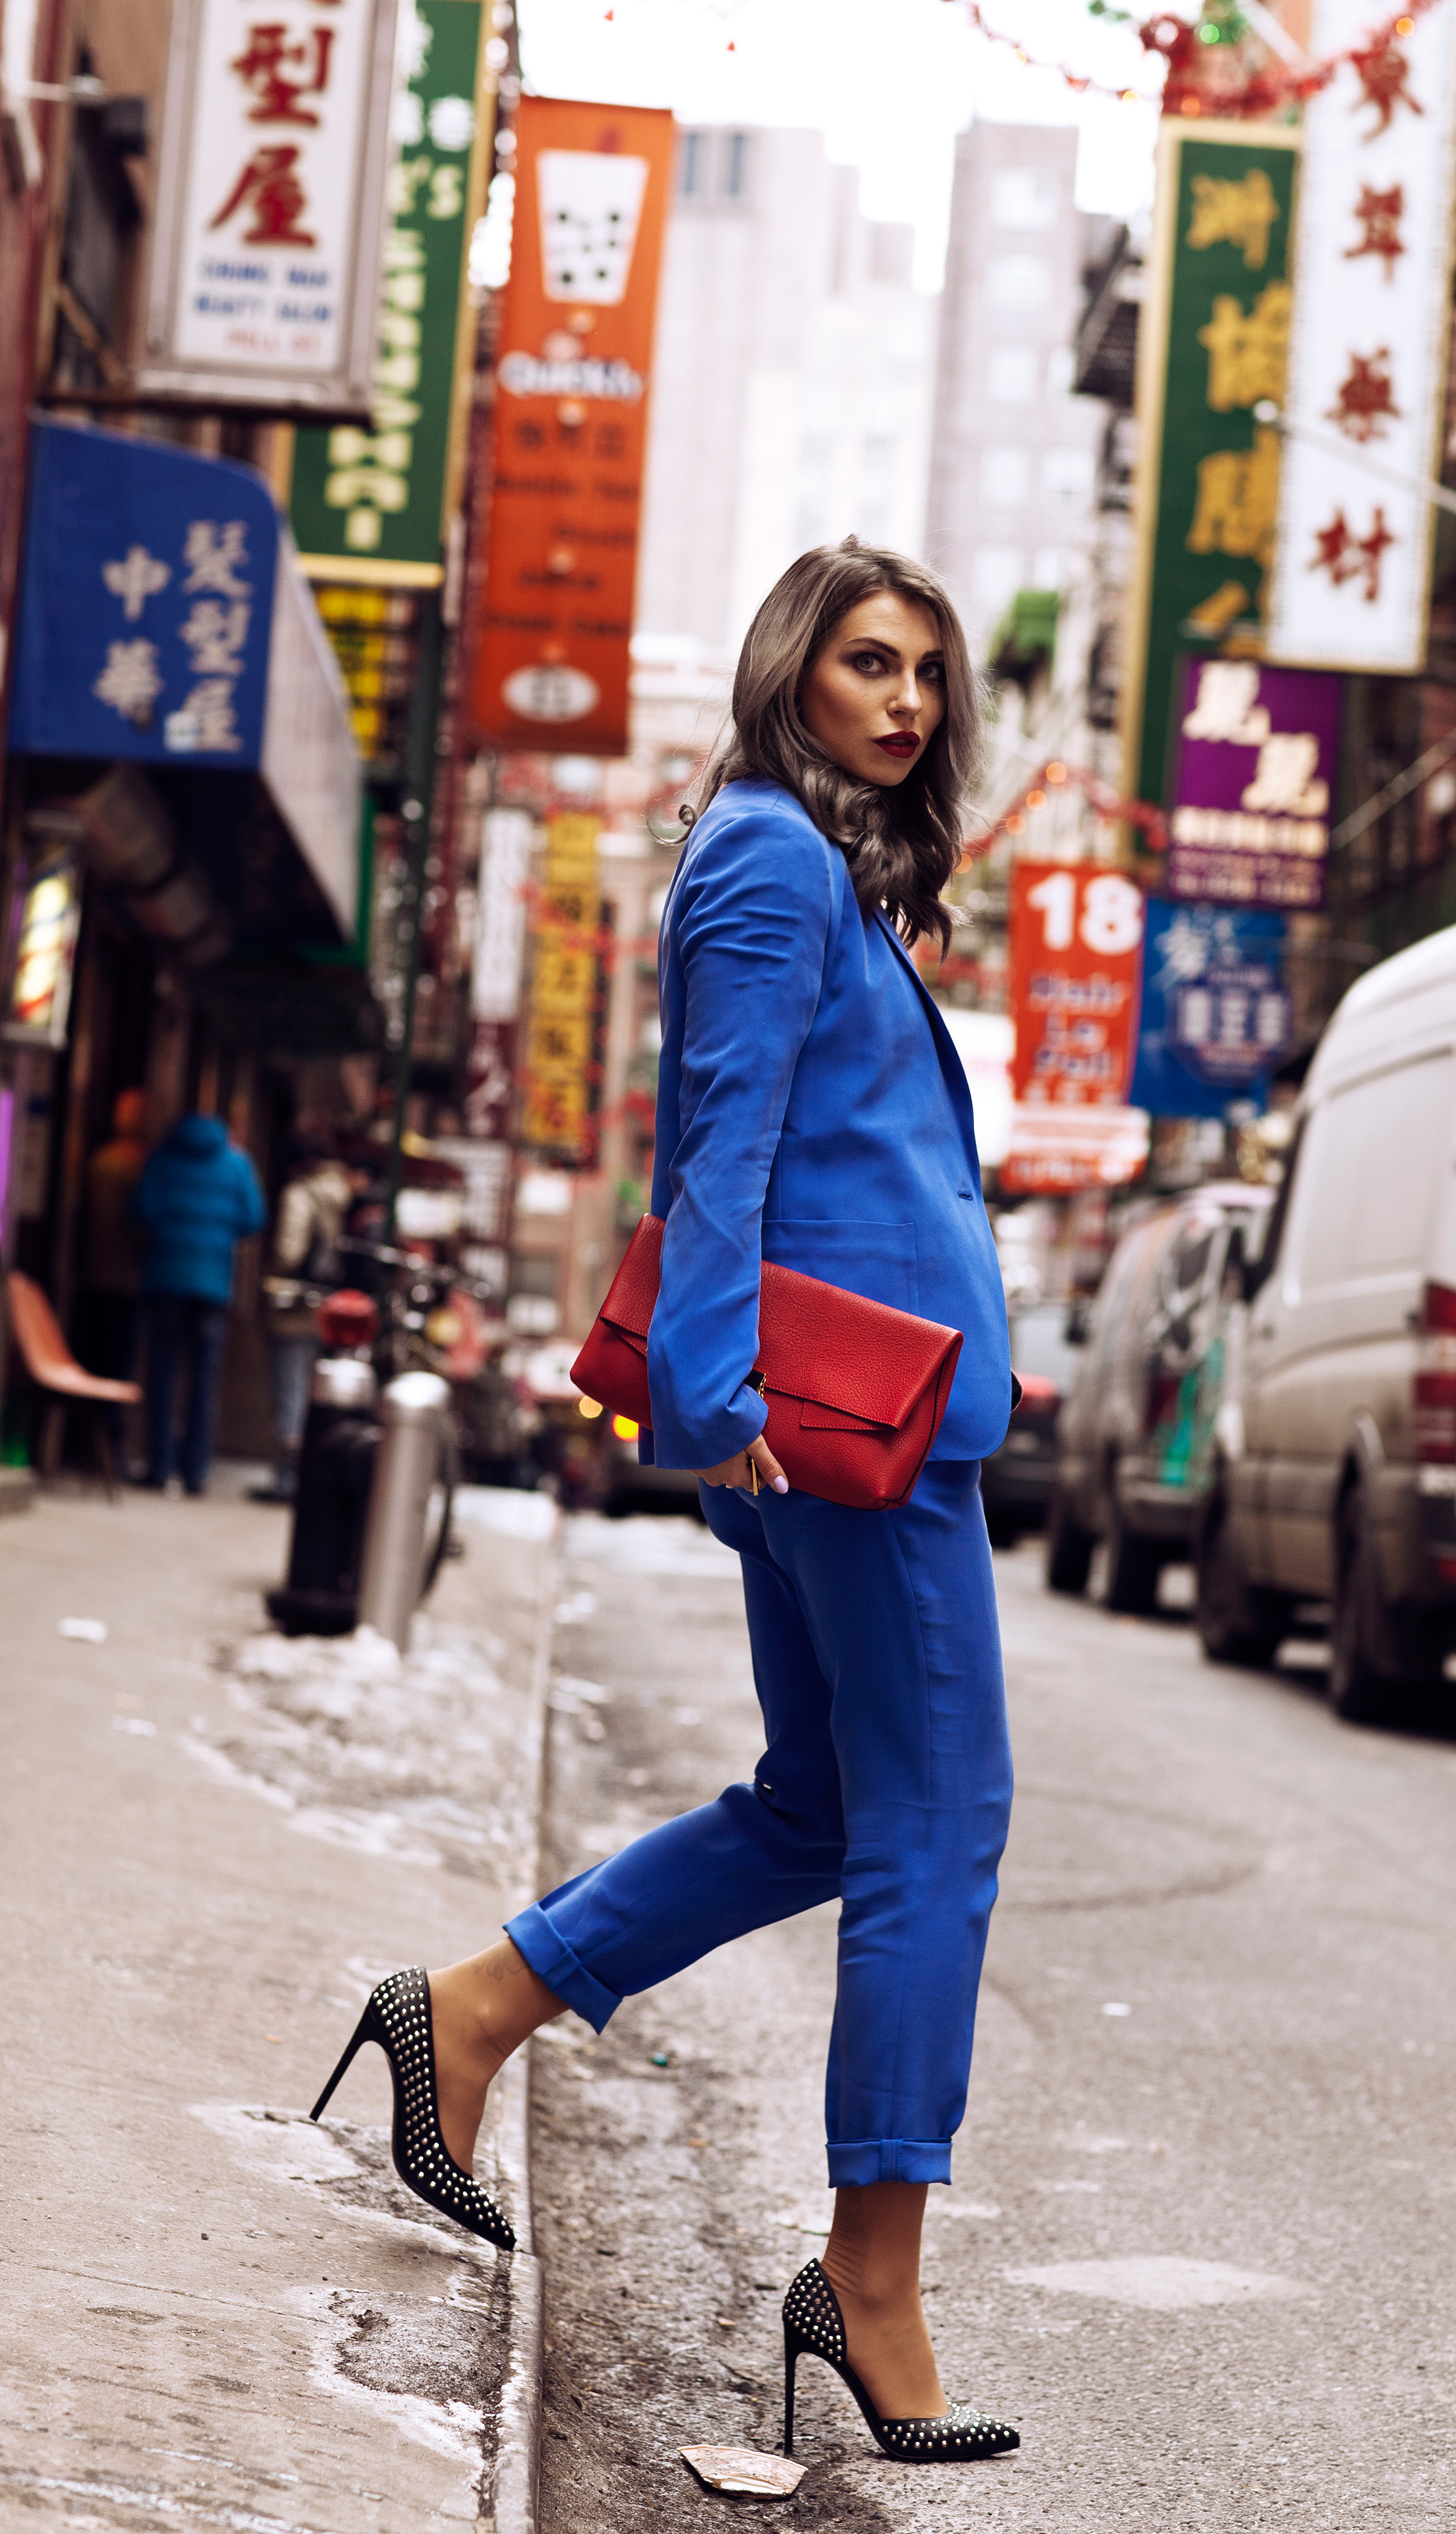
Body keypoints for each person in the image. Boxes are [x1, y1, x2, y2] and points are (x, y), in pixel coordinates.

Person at [310, 539, 1020, 2465]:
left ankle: (470, 2006)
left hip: (840, 1407)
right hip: (845, 1420)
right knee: (939, 1825)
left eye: (926, 672)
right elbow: (724, 1138)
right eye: (868, 661)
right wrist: (705, 1395)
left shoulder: (812, 862)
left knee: (828, 1807)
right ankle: (873, 2274)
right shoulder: (775, 856)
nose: (905, 700)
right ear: (793, 669)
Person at [133, 1107, 267, 1496]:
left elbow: (143, 1209)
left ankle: (160, 1465)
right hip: (212, 1283)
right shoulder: (237, 1163)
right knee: (204, 1379)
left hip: (165, 1277)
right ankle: (195, 1471)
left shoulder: (162, 1158)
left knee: (163, 1372)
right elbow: (254, 1217)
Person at [252, 1135, 362, 1503]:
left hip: (294, 1304)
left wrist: (272, 1274)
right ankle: (302, 1475)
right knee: (307, 1392)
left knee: (289, 1392)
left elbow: (289, 1250)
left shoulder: (300, 1195)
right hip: (324, 1305)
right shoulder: (342, 1193)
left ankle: (288, 1477)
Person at [73, 1087, 150, 1479]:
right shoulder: (138, 1165)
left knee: (96, 1358)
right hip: (126, 1279)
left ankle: (87, 1446)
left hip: (95, 1273)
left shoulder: (102, 1161)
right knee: (115, 1362)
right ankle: (107, 1448)